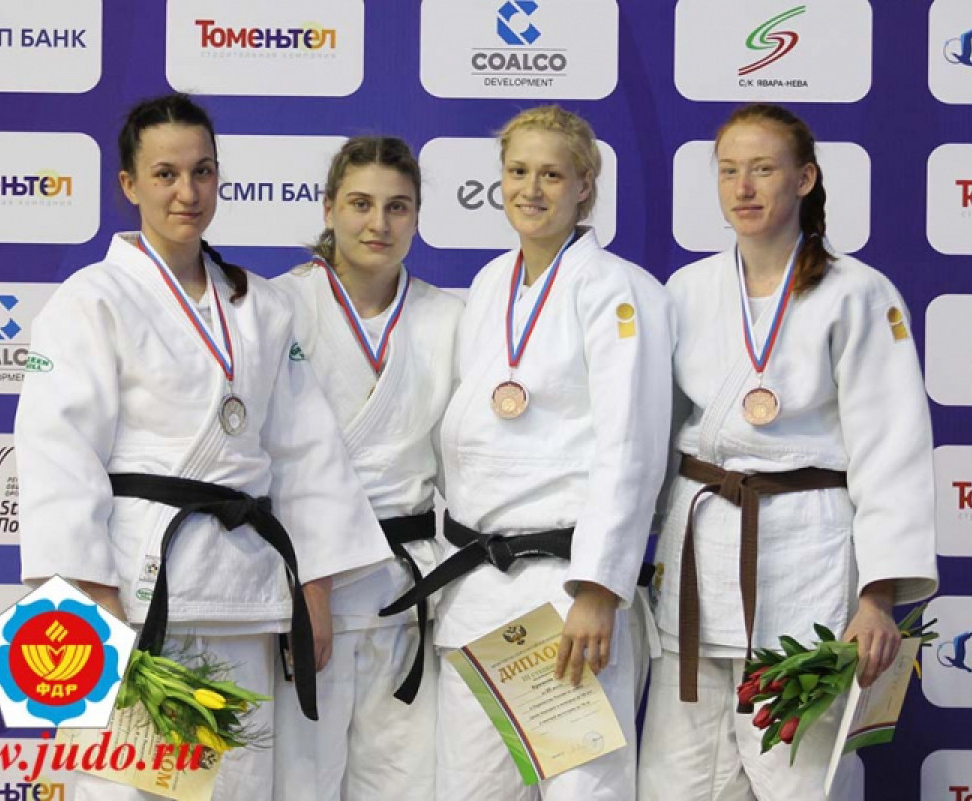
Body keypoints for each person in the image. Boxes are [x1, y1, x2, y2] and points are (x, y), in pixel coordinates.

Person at [15, 93, 392, 800]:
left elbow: (306, 453)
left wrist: (312, 588)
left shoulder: (260, 305)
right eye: (165, 174)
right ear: (129, 184)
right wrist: (91, 605)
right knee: (121, 790)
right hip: (134, 594)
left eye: (202, 171)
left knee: (238, 786)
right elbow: (58, 457)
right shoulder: (90, 299)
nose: (186, 192)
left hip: (246, 595)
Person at [637, 103, 938, 800]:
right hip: (699, 558)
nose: (743, 188)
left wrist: (877, 595)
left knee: (800, 781)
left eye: (763, 169)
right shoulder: (686, 291)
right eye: (729, 171)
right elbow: (646, 442)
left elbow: (890, 451)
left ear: (804, 179)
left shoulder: (857, 293)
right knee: (677, 783)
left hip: (807, 564)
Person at [379, 105, 673, 800]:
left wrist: (599, 587)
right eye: (517, 171)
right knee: (471, 790)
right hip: (478, 587)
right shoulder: (488, 285)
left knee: (582, 790)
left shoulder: (618, 290)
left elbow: (631, 447)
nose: (530, 189)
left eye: (551, 175)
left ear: (585, 187)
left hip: (565, 594)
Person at [270, 136, 463, 801]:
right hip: (310, 585)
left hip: (410, 586)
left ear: (417, 216)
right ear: (328, 208)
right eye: (360, 204)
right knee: (301, 784)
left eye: (397, 206)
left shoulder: (450, 317)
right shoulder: (277, 307)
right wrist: (308, 583)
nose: (379, 223)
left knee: (407, 784)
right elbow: (268, 459)